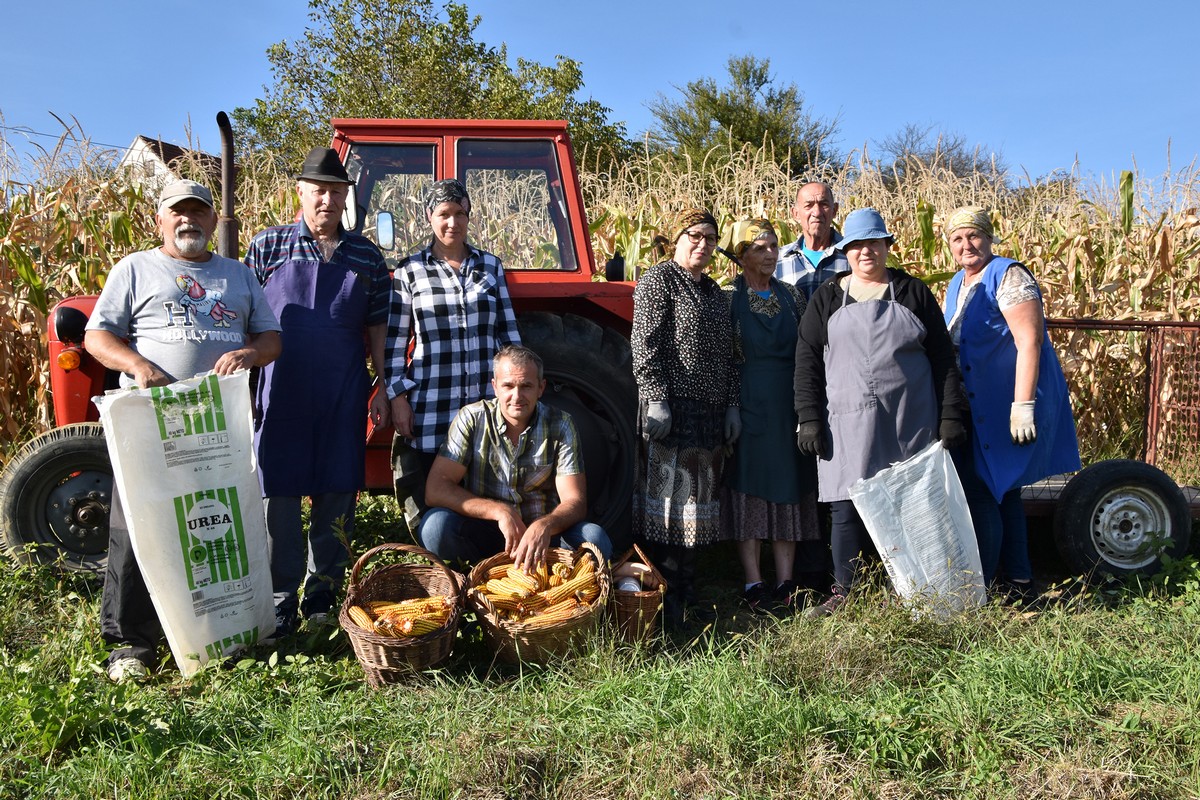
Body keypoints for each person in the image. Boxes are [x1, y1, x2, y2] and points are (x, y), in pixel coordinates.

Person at [85, 179, 282, 681]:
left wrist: (249, 353)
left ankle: (224, 630)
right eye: (178, 211)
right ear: (160, 220)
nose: (188, 219)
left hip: (218, 425)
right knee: (138, 528)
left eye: (198, 211)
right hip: (153, 421)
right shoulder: (135, 269)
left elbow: (271, 338)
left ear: (214, 220)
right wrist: (138, 365)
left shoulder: (238, 275)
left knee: (218, 524)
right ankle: (130, 646)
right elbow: (97, 336)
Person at [245, 147, 392, 634]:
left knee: (337, 488)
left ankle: (323, 593)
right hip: (280, 391)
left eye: (335, 191)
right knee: (278, 493)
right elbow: (245, 321)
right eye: (318, 191)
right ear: (301, 193)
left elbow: (377, 328)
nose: (326, 200)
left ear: (346, 197)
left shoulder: (366, 255)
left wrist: (382, 385)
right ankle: (280, 598)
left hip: (341, 390)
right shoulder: (267, 247)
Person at [794, 208, 968, 616]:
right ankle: (846, 593)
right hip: (846, 420)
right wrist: (808, 417)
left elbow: (943, 358)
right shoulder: (828, 297)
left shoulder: (912, 292)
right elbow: (807, 360)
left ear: (887, 246)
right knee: (846, 506)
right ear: (846, 251)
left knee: (912, 504)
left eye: (874, 243)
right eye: (856, 245)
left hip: (909, 418)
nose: (865, 252)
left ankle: (913, 590)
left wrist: (951, 414)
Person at [942, 206, 1081, 601]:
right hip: (974, 405)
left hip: (1003, 406)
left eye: (974, 236)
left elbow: (1028, 341)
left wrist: (1022, 406)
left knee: (984, 490)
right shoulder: (958, 282)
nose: (967, 245)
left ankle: (983, 587)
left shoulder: (1009, 275)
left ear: (989, 238)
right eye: (957, 239)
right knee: (1006, 491)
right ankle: (1018, 581)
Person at [631, 208, 740, 630]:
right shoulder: (660, 280)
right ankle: (663, 604)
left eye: (711, 238)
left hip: (708, 417)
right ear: (676, 239)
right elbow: (645, 343)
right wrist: (656, 398)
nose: (703, 244)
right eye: (695, 235)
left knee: (696, 512)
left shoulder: (713, 291)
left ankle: (688, 595)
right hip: (671, 415)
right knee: (666, 510)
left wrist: (731, 405)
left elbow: (731, 356)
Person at [383, 179, 522, 507]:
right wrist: (398, 399)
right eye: (444, 214)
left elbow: (509, 337)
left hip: (485, 407)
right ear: (429, 216)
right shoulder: (410, 271)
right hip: (433, 408)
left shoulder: (490, 267)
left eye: (460, 213)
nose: (452, 223)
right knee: (435, 506)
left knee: (488, 498)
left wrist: (517, 394)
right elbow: (395, 344)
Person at [419, 345, 612, 570]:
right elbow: (436, 489)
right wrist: (500, 511)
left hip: (543, 540)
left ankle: (544, 572)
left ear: (541, 388)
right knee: (435, 526)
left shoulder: (561, 424)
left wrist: (544, 525)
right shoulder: (472, 418)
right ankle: (474, 575)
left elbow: (575, 502)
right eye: (508, 386)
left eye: (526, 386)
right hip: (487, 531)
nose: (517, 396)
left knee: (594, 538)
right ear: (495, 387)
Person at [720, 219, 821, 613]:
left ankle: (786, 581)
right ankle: (753, 581)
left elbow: (809, 352)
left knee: (790, 486)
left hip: (788, 404)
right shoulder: (727, 297)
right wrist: (730, 406)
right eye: (759, 248)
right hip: (747, 404)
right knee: (749, 488)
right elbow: (723, 359)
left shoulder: (793, 296)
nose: (769, 254)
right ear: (741, 254)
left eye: (774, 246)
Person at [775, 181, 849, 300]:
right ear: (795, 213)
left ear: (834, 210)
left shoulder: (852, 255)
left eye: (824, 204)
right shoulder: (778, 260)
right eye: (808, 205)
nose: (817, 213)